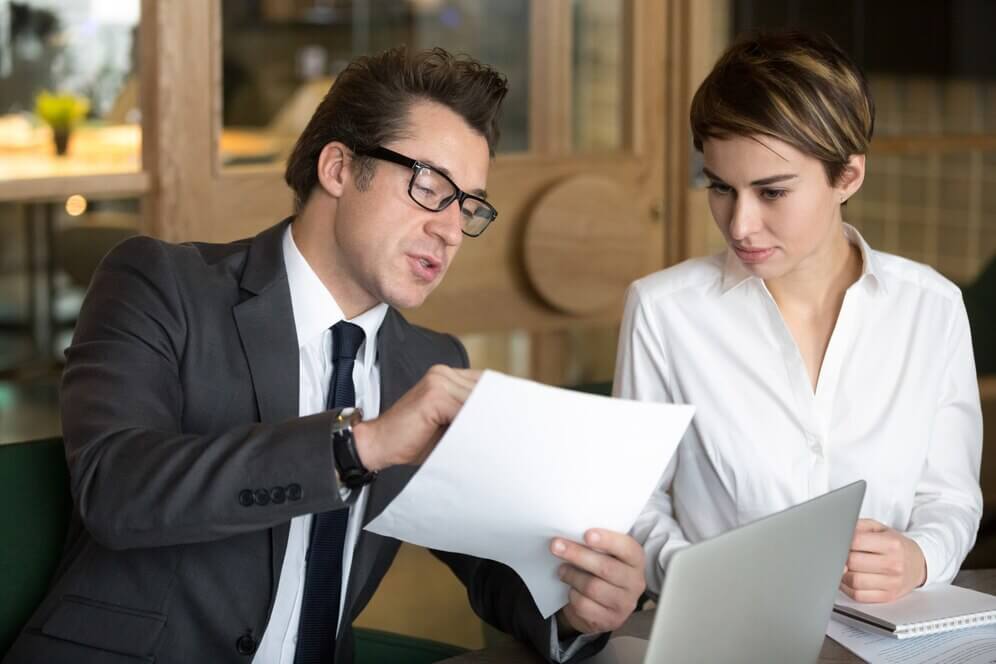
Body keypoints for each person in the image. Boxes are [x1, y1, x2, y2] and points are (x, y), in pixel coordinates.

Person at [6, 47, 645, 664]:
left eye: (468, 205)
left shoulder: (426, 364)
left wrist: (576, 610)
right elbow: (117, 489)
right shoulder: (162, 284)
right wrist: (356, 446)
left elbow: (493, 566)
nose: (451, 230)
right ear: (338, 168)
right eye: (430, 186)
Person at [615, 31, 982, 605]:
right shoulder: (664, 312)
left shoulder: (931, 309)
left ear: (848, 177)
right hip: (722, 634)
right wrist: (703, 574)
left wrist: (919, 557)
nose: (739, 224)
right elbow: (634, 505)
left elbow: (951, 499)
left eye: (772, 192)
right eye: (720, 188)